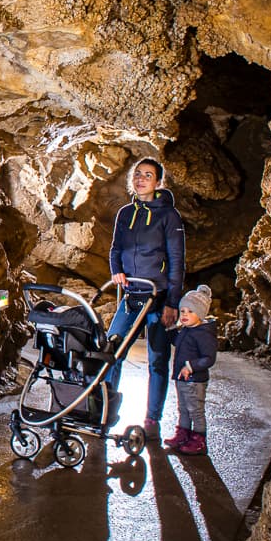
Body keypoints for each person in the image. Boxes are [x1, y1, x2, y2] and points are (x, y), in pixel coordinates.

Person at [106, 156, 185, 443]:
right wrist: (117, 272)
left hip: (158, 297)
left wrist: (172, 302)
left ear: (159, 182)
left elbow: (177, 261)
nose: (141, 179)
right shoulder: (126, 213)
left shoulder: (169, 217)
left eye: (148, 175)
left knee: (157, 360)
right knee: (111, 352)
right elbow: (115, 249)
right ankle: (105, 409)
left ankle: (152, 419)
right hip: (131, 296)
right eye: (137, 174)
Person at [165, 285, 217, 454]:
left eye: (190, 311)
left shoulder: (203, 334)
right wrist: (171, 329)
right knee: (183, 408)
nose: (185, 315)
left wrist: (191, 367)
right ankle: (183, 434)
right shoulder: (187, 330)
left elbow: (209, 358)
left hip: (194, 380)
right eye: (183, 311)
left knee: (196, 410)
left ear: (200, 314)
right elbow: (178, 343)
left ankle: (199, 440)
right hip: (182, 378)